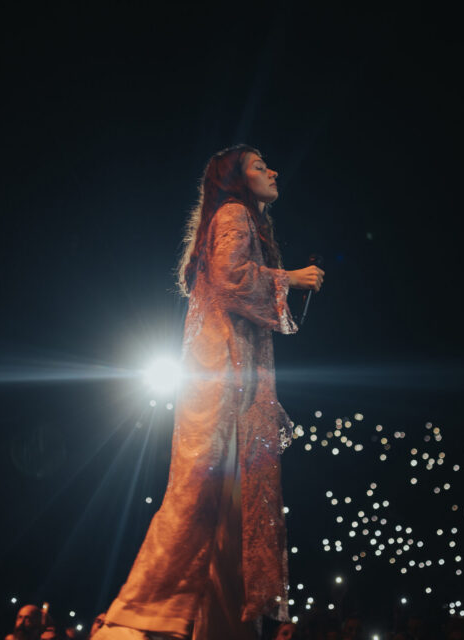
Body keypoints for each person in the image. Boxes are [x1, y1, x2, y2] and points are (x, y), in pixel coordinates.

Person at [97, 145, 324, 640]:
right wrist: (292, 279)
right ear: (237, 179)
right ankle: (138, 618)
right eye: (260, 166)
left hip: (225, 373)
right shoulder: (235, 212)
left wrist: (264, 399)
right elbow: (231, 277)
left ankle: (214, 628)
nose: (273, 170)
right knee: (201, 493)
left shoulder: (233, 219)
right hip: (220, 373)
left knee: (229, 509)